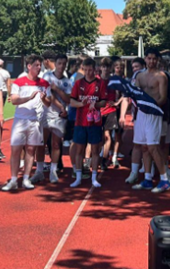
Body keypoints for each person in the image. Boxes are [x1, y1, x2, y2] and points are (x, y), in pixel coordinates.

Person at [3, 54, 51, 192]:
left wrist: (44, 99)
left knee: (31, 150)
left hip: (35, 121)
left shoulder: (44, 84)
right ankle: (13, 179)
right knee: (16, 150)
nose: (39, 67)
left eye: (40, 65)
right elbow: (15, 100)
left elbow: (48, 103)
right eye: (36, 65)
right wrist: (29, 97)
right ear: (29, 66)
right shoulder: (19, 82)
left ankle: (25, 178)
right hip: (20, 120)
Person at [131, 49, 170, 192]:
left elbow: (162, 98)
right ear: (145, 59)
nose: (151, 61)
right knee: (144, 147)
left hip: (154, 114)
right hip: (141, 114)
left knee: (153, 147)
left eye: (154, 58)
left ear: (158, 60)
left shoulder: (161, 77)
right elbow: (135, 94)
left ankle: (164, 180)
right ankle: (147, 179)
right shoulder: (139, 76)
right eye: (149, 58)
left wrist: (152, 107)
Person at [69, 58, 109, 188]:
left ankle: (94, 178)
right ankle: (79, 177)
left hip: (95, 123)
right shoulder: (78, 83)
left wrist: (95, 104)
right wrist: (82, 103)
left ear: (94, 69)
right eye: (85, 70)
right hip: (80, 122)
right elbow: (72, 101)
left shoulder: (100, 83)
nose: (88, 72)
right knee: (79, 149)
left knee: (95, 149)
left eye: (90, 70)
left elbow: (104, 101)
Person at [42, 54, 73, 183]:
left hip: (59, 116)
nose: (61, 66)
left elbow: (69, 99)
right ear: (55, 63)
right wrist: (61, 106)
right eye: (59, 63)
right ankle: (39, 168)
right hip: (46, 112)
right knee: (41, 142)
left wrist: (57, 90)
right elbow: (48, 96)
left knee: (56, 143)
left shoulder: (67, 82)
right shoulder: (47, 76)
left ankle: (53, 169)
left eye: (64, 64)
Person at [100, 59, 127, 169]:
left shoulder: (117, 80)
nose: (118, 69)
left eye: (120, 68)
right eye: (117, 67)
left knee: (112, 135)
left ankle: (110, 157)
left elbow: (125, 94)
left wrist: (117, 103)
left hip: (112, 110)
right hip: (99, 111)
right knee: (94, 139)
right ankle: (89, 162)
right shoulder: (96, 79)